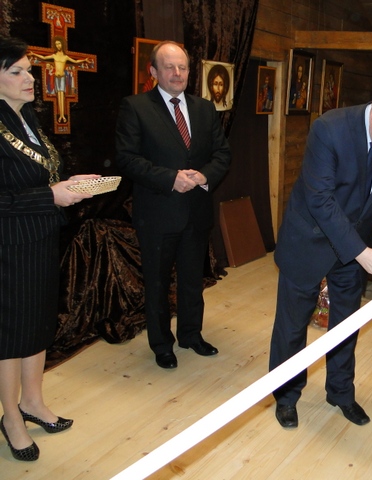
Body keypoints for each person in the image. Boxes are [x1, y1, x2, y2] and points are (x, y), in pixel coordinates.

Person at [269, 85, 372, 429]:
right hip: (309, 239)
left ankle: (341, 392)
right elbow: (320, 200)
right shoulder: (329, 128)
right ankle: (286, 395)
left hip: (356, 244)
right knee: (292, 325)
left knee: (346, 325)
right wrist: (360, 252)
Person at [0, 36, 99, 462]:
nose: (30, 78)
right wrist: (50, 196)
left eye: (29, 70)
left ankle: (32, 401)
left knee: (38, 325)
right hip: (9, 245)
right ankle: (11, 417)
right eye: (17, 71)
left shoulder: (25, 119)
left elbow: (36, 177)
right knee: (11, 335)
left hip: (39, 237)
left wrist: (68, 186)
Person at [115, 41, 231, 370]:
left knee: (193, 280)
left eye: (183, 67)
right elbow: (126, 158)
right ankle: (162, 344)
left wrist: (204, 176)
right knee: (157, 283)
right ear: (153, 71)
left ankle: (191, 335)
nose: (177, 73)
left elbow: (222, 154)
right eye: (169, 67)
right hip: (157, 213)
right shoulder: (136, 107)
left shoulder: (204, 108)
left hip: (196, 211)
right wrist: (170, 178)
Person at [28, 36, 91, 123]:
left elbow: (75, 62)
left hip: (62, 77)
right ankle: (61, 115)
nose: (58, 45)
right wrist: (34, 54)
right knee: (58, 96)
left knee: (62, 95)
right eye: (56, 44)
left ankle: (62, 115)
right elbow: (43, 58)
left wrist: (84, 60)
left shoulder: (65, 57)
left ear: (62, 45)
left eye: (59, 44)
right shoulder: (54, 56)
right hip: (56, 77)